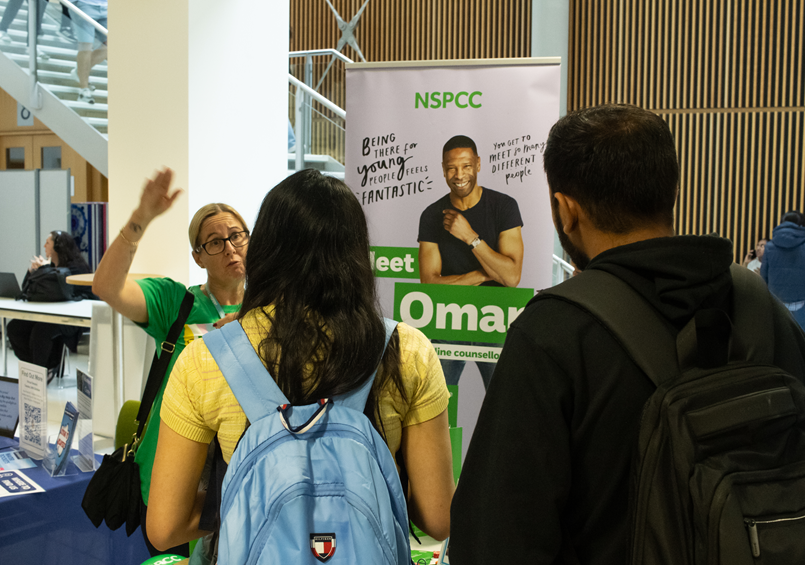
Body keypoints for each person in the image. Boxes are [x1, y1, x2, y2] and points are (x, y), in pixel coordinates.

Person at [449, 104, 805, 564]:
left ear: (565, 211)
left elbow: (492, 541)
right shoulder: (766, 312)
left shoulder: (552, 336)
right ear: (670, 192)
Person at [146, 169, 455, 553]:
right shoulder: (406, 350)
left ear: (264, 251)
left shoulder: (206, 360)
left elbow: (165, 526)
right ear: (356, 251)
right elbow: (438, 518)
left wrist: (253, 500)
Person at [91, 168, 248, 558]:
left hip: (239, 477)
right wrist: (141, 218)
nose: (230, 248)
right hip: (172, 479)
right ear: (197, 256)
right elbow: (106, 287)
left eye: (237, 236)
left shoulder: (269, 311)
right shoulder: (176, 302)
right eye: (214, 242)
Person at [417, 135, 524, 389]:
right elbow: (430, 285)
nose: (459, 174)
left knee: (503, 400)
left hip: (494, 318)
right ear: (443, 170)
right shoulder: (432, 215)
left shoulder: (504, 207)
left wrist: (470, 237)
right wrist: (483, 275)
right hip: (447, 319)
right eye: (451, 167)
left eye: (466, 166)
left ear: (478, 164)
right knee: (436, 402)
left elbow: (511, 277)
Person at [7, 230, 95, 382]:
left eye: (48, 243)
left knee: (41, 330)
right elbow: (28, 290)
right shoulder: (52, 266)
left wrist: (45, 270)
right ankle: (35, 369)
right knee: (15, 327)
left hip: (71, 318)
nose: (44, 246)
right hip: (50, 314)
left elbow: (60, 292)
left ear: (58, 246)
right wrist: (32, 272)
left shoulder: (76, 267)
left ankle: (39, 373)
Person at [760, 211, 805, 334]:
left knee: (777, 337)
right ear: (801, 225)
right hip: (800, 302)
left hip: (775, 301)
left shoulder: (769, 247)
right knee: (800, 340)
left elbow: (763, 276)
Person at [68, 0, 107, 104]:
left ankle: (79, 72)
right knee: (86, 46)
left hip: (106, 7)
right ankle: (83, 89)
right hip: (84, 5)